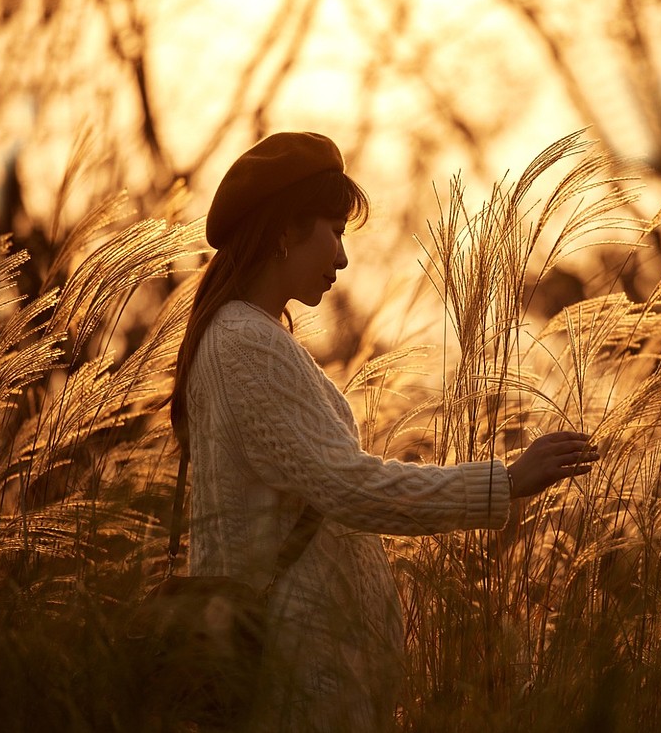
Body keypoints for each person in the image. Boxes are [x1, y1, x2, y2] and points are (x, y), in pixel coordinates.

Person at [169, 131, 598, 731]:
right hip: (291, 672)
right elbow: (348, 487)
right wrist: (503, 482)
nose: (343, 259)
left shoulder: (249, 337)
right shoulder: (246, 342)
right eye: (336, 231)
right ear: (286, 230)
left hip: (303, 665)